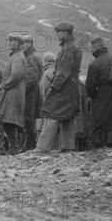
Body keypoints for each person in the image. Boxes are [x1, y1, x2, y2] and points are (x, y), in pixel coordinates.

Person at [31, 22, 82, 154]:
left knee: (50, 111)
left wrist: (53, 88)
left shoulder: (67, 49)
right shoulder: (72, 47)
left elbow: (62, 72)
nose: (57, 34)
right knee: (67, 115)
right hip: (72, 86)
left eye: (59, 32)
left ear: (66, 33)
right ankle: (68, 146)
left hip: (64, 86)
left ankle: (43, 146)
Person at [0, 33, 27, 156]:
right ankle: (14, 148)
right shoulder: (16, 56)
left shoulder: (17, 57)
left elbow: (16, 75)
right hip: (13, 92)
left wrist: (4, 85)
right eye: (9, 41)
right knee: (10, 121)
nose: (9, 43)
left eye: (13, 41)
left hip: (10, 92)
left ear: (20, 44)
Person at [21, 34, 43, 152]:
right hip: (32, 90)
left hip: (31, 92)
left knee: (28, 119)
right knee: (28, 119)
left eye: (24, 43)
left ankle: (31, 145)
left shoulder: (31, 57)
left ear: (30, 44)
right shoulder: (30, 56)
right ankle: (29, 145)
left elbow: (31, 78)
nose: (22, 46)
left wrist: (21, 91)